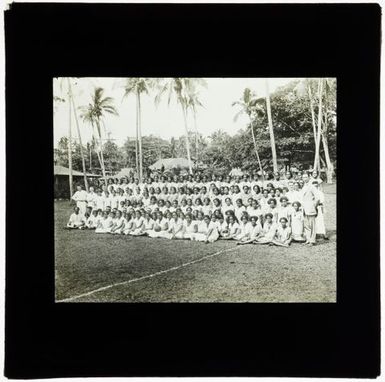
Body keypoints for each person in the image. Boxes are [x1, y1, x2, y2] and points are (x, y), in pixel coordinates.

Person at [301, 173, 320, 246]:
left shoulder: (312, 187)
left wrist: (314, 206)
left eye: (306, 177)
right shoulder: (303, 186)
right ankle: (308, 239)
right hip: (304, 208)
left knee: (312, 225)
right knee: (306, 225)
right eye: (303, 177)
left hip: (311, 208)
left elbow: (317, 198)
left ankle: (312, 240)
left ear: (309, 177)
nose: (304, 178)